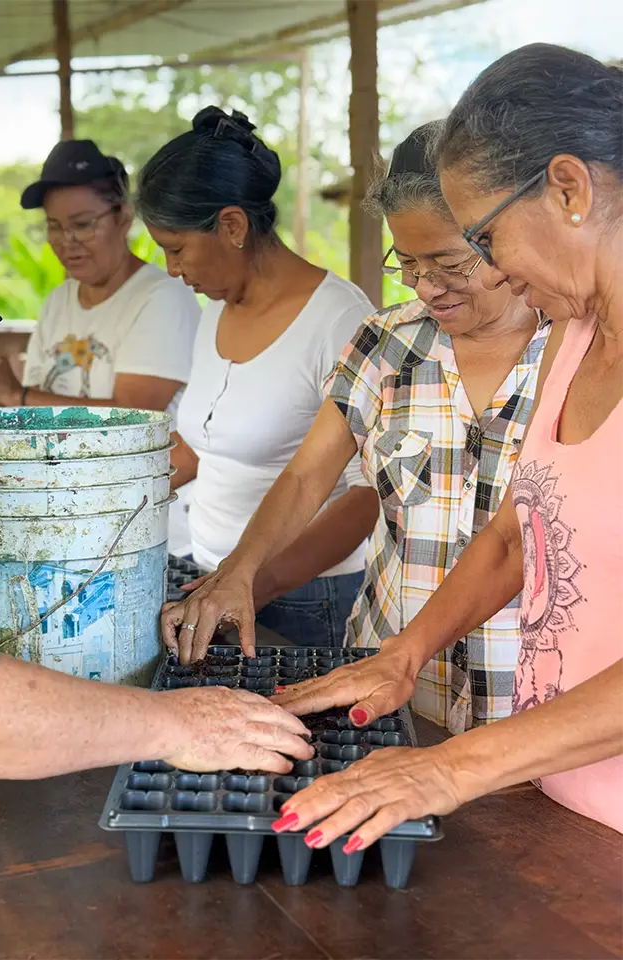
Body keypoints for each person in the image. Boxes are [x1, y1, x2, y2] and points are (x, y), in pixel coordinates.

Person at [269, 43, 623, 853]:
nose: (485, 271)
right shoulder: (576, 337)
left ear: (568, 188)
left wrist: (450, 770)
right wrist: (404, 653)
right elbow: (513, 535)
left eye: (483, 239)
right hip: (555, 801)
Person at [0, 145, 312, 779]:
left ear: (122, 218)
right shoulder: (71, 302)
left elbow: (138, 427)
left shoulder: (174, 304)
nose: (68, 241)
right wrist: (175, 724)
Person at [161, 120, 559, 734]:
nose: (428, 288)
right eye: (408, 264)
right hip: (383, 677)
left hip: (530, 699)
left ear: (502, 233)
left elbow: (516, 544)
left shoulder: (576, 352)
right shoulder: (386, 343)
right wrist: (239, 572)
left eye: (449, 263)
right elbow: (305, 477)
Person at [139, 106, 379, 659]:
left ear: (232, 226)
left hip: (305, 597)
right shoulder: (216, 309)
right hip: (209, 577)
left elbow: (367, 500)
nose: (172, 269)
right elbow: (200, 452)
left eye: (176, 249)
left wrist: (252, 583)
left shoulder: (340, 320)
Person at [0, 139, 200, 425]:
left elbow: (132, 416)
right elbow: (37, 408)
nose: (67, 241)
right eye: (54, 227)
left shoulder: (163, 298)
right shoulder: (59, 300)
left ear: (124, 218)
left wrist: (17, 396)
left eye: (82, 225)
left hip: (138, 470)